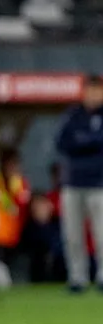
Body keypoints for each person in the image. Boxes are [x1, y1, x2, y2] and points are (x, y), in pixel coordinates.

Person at [54, 73, 103, 292]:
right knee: (73, 235)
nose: (92, 94)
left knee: (101, 234)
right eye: (89, 90)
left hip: (99, 183)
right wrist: (90, 141)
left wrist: (83, 141)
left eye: (97, 90)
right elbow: (63, 142)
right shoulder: (73, 115)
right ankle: (77, 278)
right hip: (73, 183)